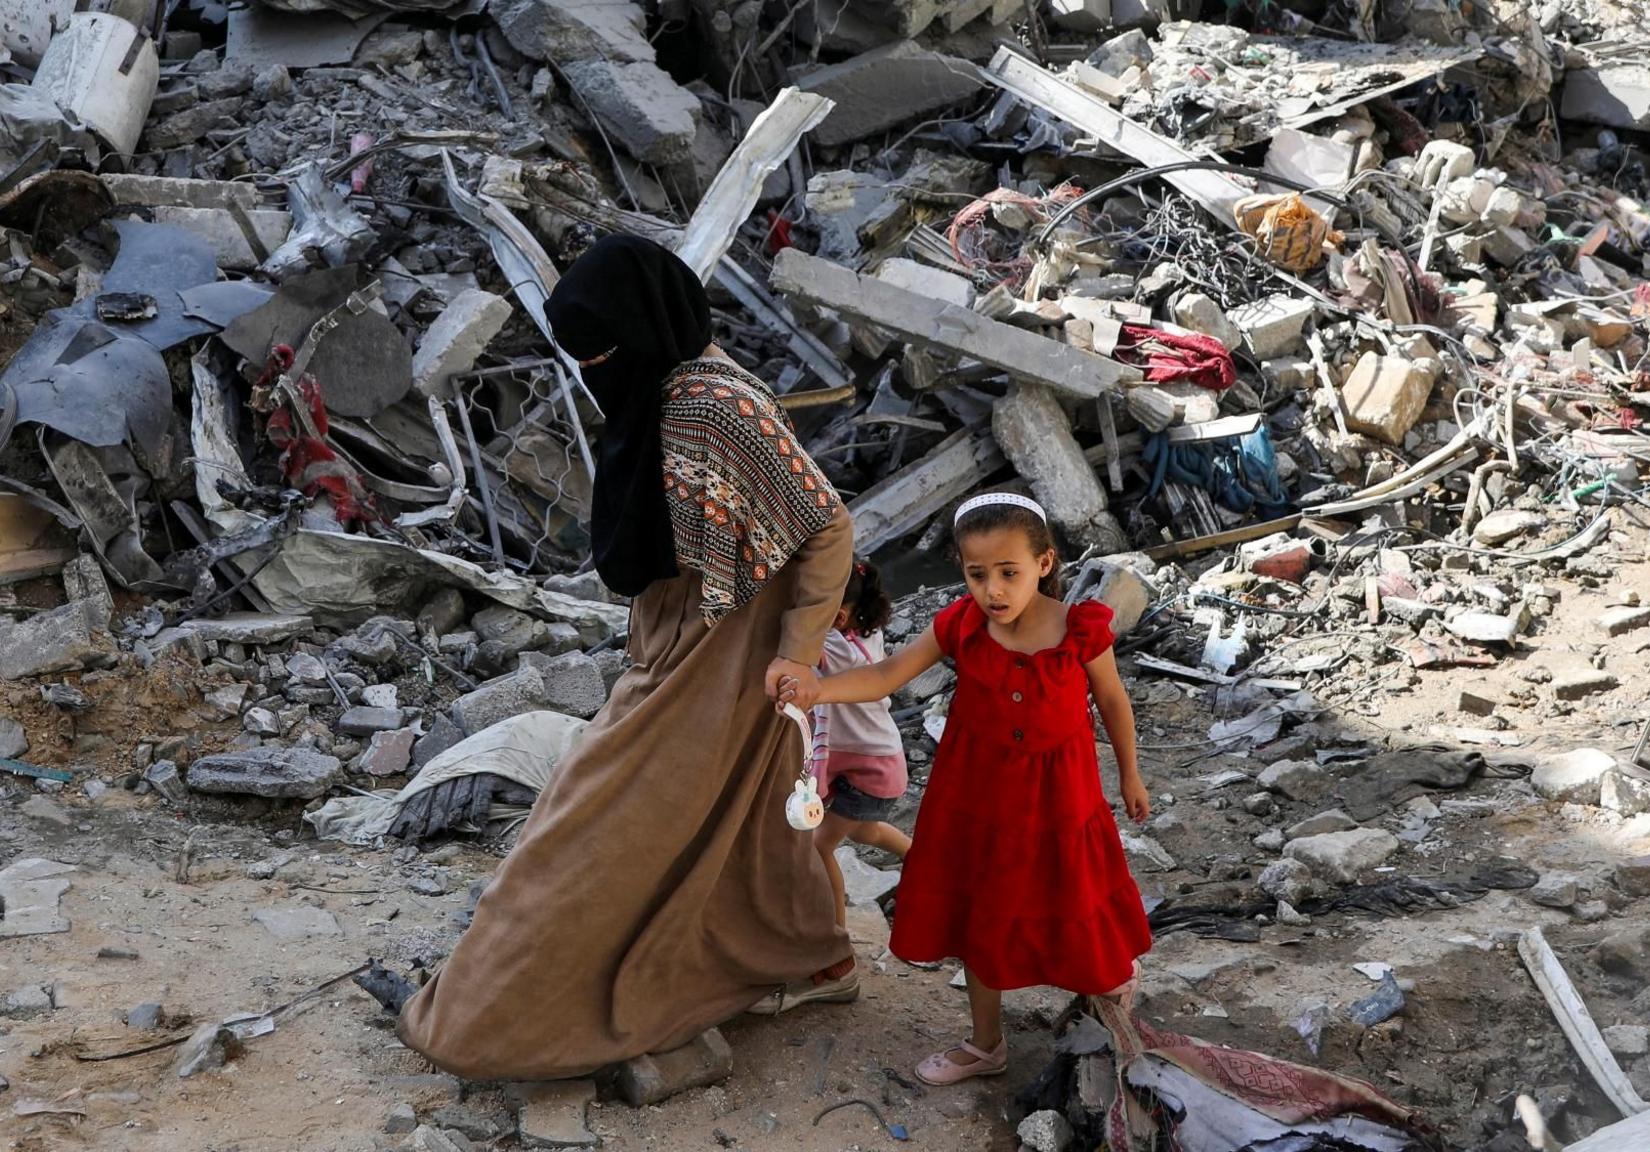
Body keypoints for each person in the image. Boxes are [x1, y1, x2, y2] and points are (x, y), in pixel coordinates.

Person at [392, 234, 858, 1079]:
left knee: (589, 824)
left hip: (725, 651)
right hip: (682, 638)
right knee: (740, 815)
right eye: (584, 357)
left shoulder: (713, 402)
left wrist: (797, 656)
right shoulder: (666, 389)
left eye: (606, 350)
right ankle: (816, 958)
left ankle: (476, 1024)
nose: (597, 369)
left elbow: (824, 524)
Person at [782, 492, 1153, 1086]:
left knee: (1073, 891)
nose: (994, 590)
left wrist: (1130, 773)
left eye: (1009, 573)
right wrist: (816, 690)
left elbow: (1112, 700)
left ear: (1045, 563)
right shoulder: (960, 625)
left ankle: (1103, 983)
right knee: (982, 910)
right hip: (976, 800)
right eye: (978, 574)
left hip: (1061, 799)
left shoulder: (1078, 630)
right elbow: (885, 674)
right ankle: (985, 1044)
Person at [767, 560, 911, 968]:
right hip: (879, 758)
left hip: (871, 769)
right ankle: (921, 860)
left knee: (820, 845)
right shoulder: (866, 633)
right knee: (865, 831)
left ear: (840, 615)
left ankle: (836, 940)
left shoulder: (835, 647)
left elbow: (788, 633)